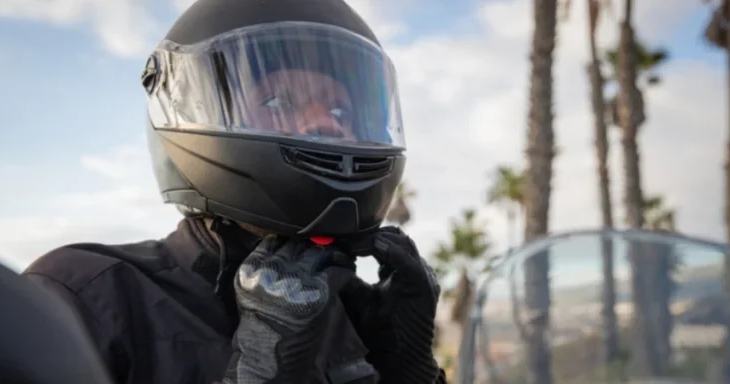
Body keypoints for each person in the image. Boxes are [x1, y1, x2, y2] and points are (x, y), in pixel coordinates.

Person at [23, 0, 447, 383]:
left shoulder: (348, 308)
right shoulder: (87, 298)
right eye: (280, 102)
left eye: (340, 109)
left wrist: (410, 370)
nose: (328, 125)